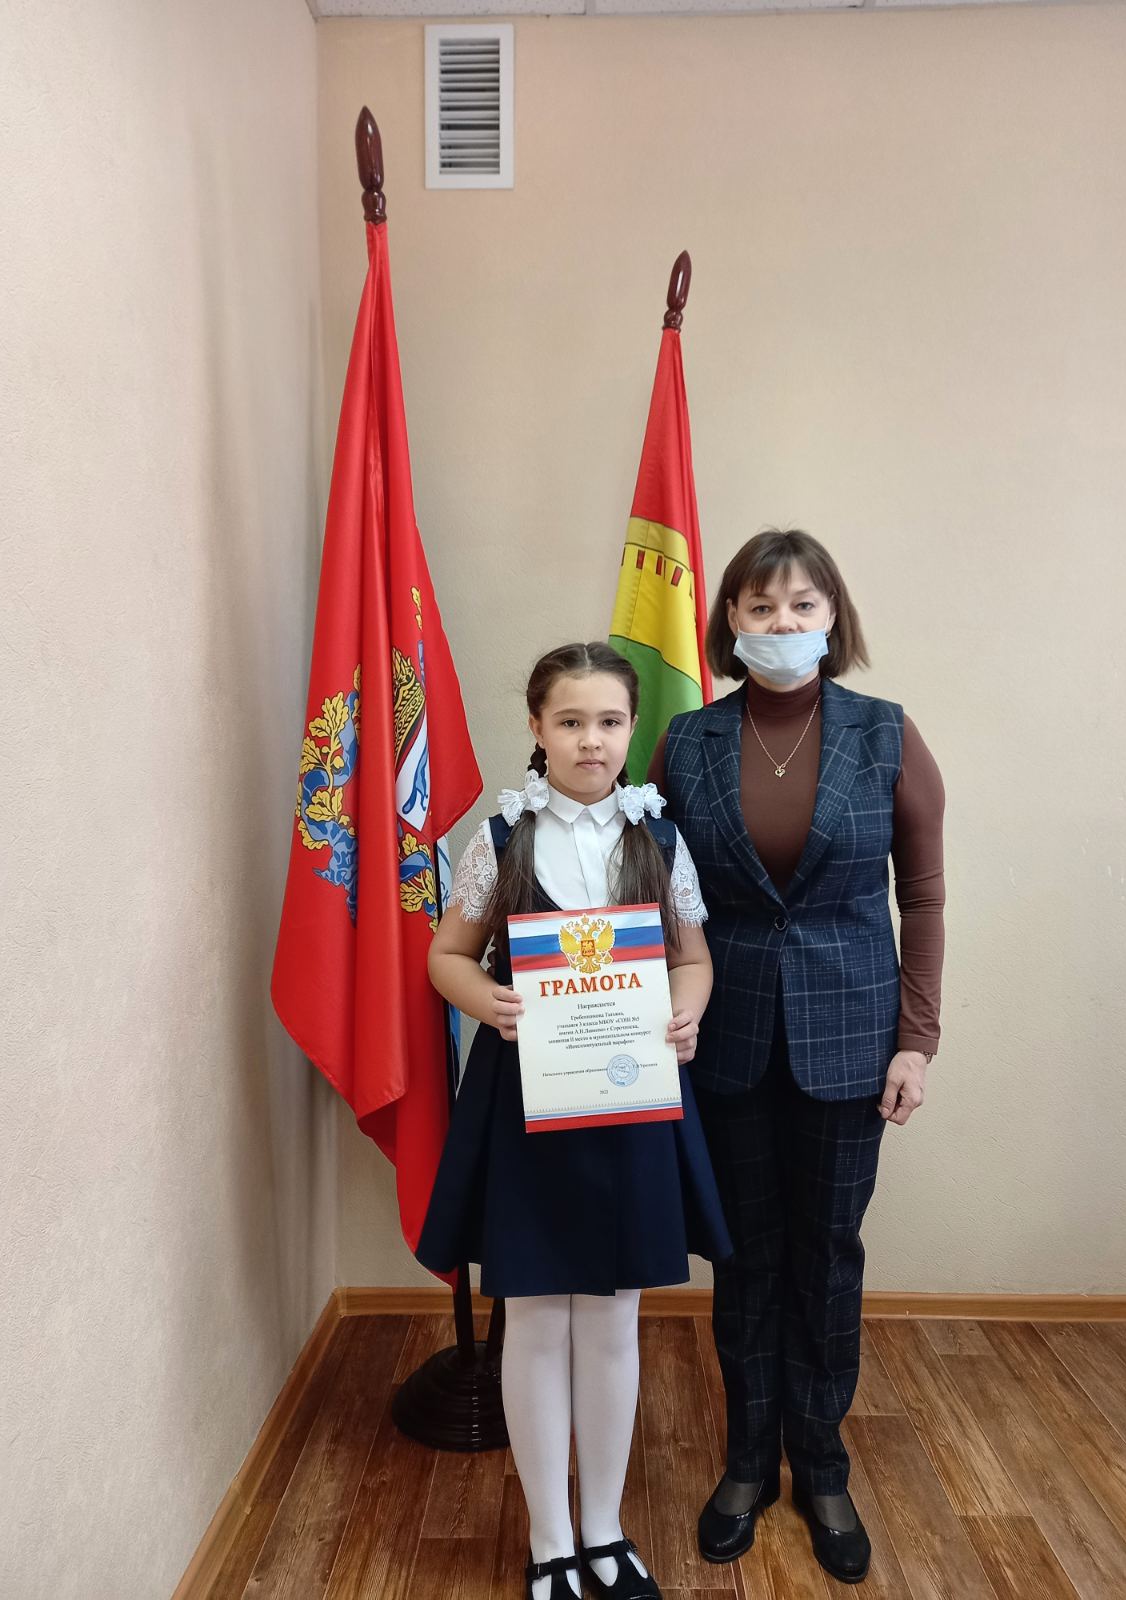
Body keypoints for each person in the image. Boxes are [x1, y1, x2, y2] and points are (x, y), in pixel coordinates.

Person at [649, 529, 945, 1586]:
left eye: (802, 605)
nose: (782, 623)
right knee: (744, 1255)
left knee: (827, 1252)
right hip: (721, 1035)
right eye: (761, 606)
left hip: (852, 1040)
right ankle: (746, 1463)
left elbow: (923, 897)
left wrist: (917, 1039)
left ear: (832, 617)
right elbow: (650, 893)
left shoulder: (886, 733)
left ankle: (820, 1464)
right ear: (730, 620)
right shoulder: (685, 739)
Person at [417, 641, 732, 1600]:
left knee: (611, 1316)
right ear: (537, 728)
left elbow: (692, 959)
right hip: (527, 1107)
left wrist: (687, 1011)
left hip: (631, 1105)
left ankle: (603, 1528)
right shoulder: (501, 838)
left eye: (608, 722)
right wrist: (489, 1002)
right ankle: (549, 1536)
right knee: (534, 1316)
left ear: (632, 729)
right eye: (569, 721)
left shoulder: (659, 839)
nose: (590, 740)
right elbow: (447, 956)